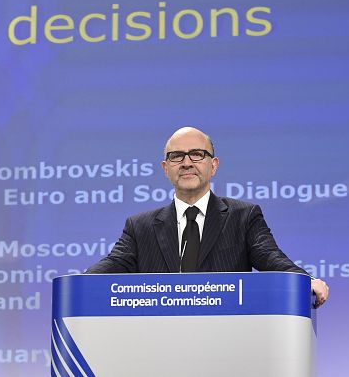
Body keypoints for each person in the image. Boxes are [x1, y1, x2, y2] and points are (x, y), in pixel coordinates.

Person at [86, 126, 329, 307]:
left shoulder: (244, 217)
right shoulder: (140, 227)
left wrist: (305, 281)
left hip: (224, 340)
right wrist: (75, 287)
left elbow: (271, 258)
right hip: (160, 340)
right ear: (165, 168)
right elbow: (111, 266)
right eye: (176, 156)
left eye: (197, 154)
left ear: (213, 165)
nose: (186, 162)